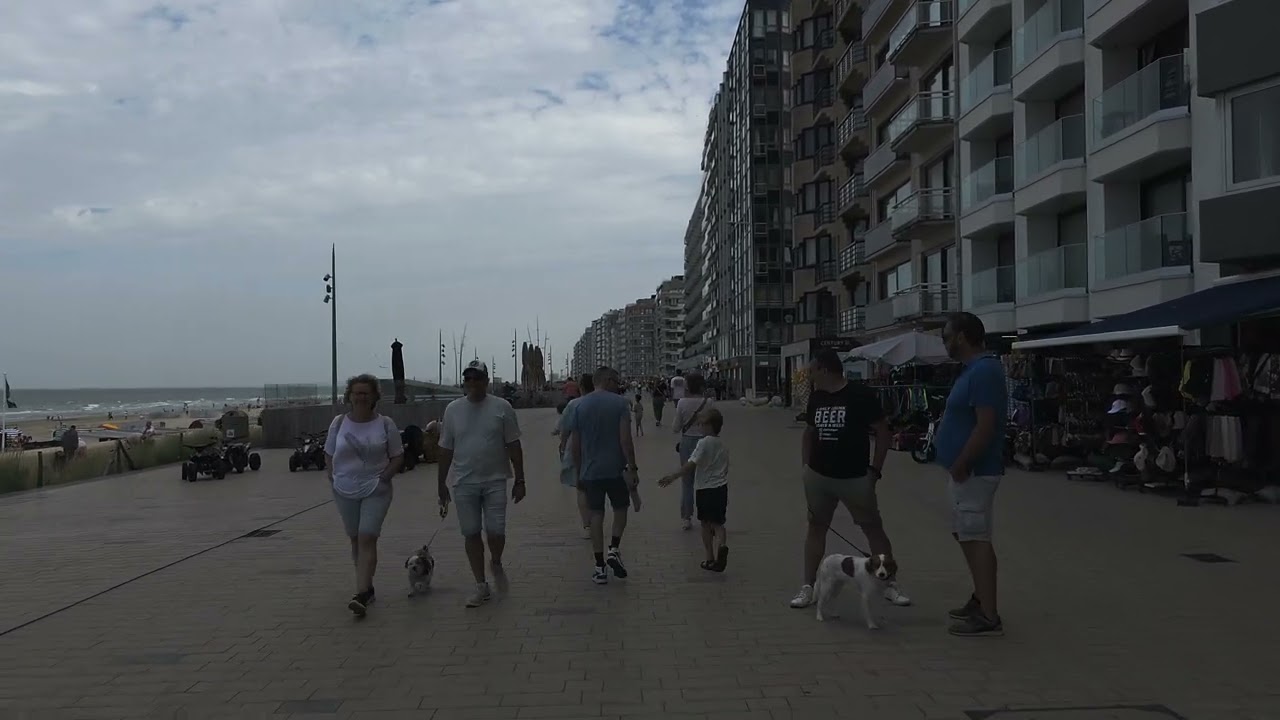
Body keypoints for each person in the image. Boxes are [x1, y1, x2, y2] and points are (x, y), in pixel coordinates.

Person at [789, 349, 911, 610]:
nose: (809, 376)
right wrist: (805, 469)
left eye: (812, 371)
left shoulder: (861, 395)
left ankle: (889, 582)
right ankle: (808, 587)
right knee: (816, 528)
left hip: (855, 477)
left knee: (872, 528)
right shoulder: (817, 397)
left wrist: (874, 470)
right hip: (819, 476)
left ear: (824, 369)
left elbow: (882, 432)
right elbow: (809, 433)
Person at [936, 312, 1007, 637]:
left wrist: (964, 461)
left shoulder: (985, 371)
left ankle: (989, 614)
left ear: (962, 337)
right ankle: (981, 597)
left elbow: (985, 425)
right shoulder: (972, 371)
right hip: (965, 473)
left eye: (946, 336)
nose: (945, 343)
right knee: (964, 532)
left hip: (974, 473)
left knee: (976, 536)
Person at [437, 360, 525, 609]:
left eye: (477, 378)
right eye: (468, 379)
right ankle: (480, 584)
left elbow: (514, 445)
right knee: (471, 532)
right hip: (464, 483)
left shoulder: (502, 407)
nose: (472, 383)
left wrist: (520, 479)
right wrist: (441, 485)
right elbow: (445, 448)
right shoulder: (453, 410)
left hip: (496, 479)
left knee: (496, 531)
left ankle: (495, 559)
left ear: (486, 381)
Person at [324, 374, 405, 616]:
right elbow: (329, 453)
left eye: (365, 393)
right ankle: (367, 585)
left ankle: (360, 593)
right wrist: (332, 475)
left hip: (376, 489)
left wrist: (384, 478)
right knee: (355, 538)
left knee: (367, 536)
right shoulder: (338, 423)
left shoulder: (385, 424)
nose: (360, 397)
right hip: (343, 489)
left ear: (374, 397)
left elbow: (398, 456)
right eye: (356, 393)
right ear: (349, 396)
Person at [567, 366, 638, 584]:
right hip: (615, 470)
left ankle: (599, 568)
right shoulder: (620, 404)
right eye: (616, 381)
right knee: (620, 509)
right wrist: (633, 467)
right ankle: (613, 548)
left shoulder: (580, 406)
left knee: (595, 515)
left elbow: (575, 446)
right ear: (606, 380)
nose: (618, 385)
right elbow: (626, 441)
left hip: (590, 471)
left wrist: (579, 473)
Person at [659, 407, 729, 572]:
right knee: (719, 524)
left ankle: (710, 558)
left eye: (702, 424)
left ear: (710, 425)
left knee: (705, 524)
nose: (699, 427)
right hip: (721, 488)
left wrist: (673, 476)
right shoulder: (722, 444)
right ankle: (723, 547)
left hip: (705, 489)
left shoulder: (703, 442)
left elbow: (692, 463)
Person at [672, 373, 713, 530]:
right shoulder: (708, 402)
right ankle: (707, 515)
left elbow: (676, 428)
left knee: (687, 482)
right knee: (706, 480)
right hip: (706, 442)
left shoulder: (682, 403)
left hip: (687, 443)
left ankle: (686, 517)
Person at [558, 373, 595, 536]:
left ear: (581, 386)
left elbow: (565, 428)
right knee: (596, 487)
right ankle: (597, 519)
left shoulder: (573, 404)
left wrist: (563, 444)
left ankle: (587, 526)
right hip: (598, 447)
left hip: (577, 447)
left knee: (581, 487)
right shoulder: (601, 402)